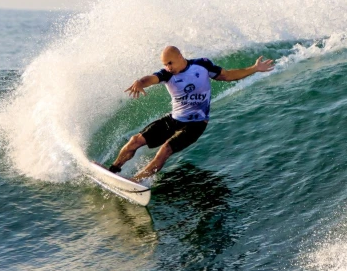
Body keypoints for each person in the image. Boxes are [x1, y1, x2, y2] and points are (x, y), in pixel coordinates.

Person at [106, 45, 274, 180]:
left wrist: (254, 68)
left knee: (165, 150)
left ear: (180, 57)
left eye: (170, 63)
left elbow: (227, 75)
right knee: (136, 140)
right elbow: (151, 78)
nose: (167, 67)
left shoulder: (202, 65)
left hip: (196, 124)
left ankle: (135, 182)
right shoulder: (167, 74)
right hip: (174, 119)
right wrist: (140, 82)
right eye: (165, 64)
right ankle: (113, 170)